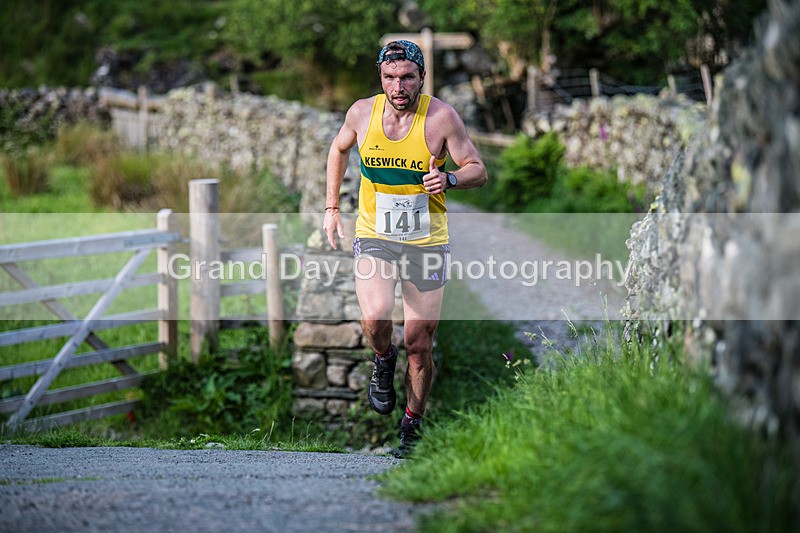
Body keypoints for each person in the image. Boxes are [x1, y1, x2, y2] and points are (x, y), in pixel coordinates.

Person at [323, 40, 487, 458]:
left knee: (419, 343)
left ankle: (412, 427)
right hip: (375, 233)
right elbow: (338, 149)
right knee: (376, 319)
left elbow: (477, 170)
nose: (398, 86)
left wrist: (450, 180)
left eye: (407, 77)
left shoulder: (442, 118)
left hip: (425, 242)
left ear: (421, 78)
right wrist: (331, 207)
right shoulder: (362, 113)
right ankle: (382, 358)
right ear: (381, 78)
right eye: (390, 77)